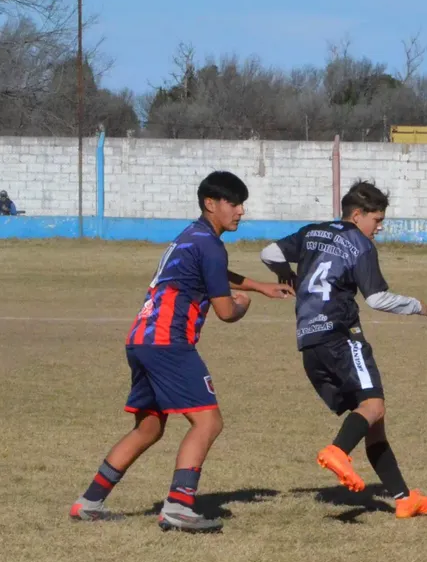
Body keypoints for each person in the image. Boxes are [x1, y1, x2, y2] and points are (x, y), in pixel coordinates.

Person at [69, 171, 294, 532]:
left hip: (141, 338)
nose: (240, 211)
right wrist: (243, 304)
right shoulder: (210, 244)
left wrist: (259, 286)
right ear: (211, 203)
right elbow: (224, 311)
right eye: (233, 203)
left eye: (241, 204)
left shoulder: (191, 238)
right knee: (208, 421)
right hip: (168, 342)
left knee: (148, 429)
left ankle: (88, 502)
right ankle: (179, 505)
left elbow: (215, 273)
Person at [259, 180, 427, 519]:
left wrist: (287, 275)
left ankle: (403, 498)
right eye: (377, 220)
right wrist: (416, 305)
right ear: (357, 216)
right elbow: (376, 298)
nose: (379, 228)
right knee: (373, 405)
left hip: (309, 342)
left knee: (374, 421)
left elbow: (269, 253)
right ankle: (338, 451)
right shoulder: (360, 244)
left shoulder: (312, 232)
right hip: (341, 336)